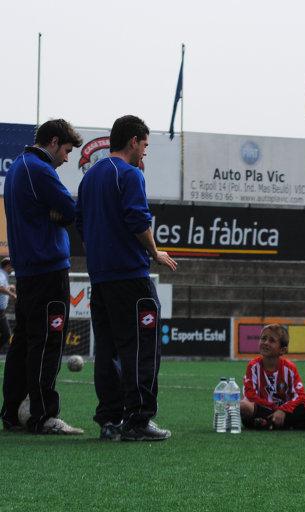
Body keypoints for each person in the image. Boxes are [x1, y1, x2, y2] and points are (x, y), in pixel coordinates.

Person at [76, 115, 178, 441]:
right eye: (145, 144)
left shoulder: (89, 177)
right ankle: (138, 420)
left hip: (101, 279)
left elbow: (80, 223)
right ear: (133, 141)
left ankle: (109, 420)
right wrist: (155, 252)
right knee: (142, 348)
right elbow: (137, 219)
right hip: (131, 278)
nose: (145, 152)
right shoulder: (130, 174)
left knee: (108, 350)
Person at [1, 119, 84, 435]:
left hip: (28, 272)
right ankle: (44, 416)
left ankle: (12, 412)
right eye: (65, 150)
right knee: (47, 342)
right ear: (52, 141)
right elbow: (70, 209)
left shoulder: (18, 167)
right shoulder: (38, 169)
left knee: (23, 343)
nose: (66, 158)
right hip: (48, 271)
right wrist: (59, 214)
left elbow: (58, 211)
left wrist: (55, 213)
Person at [241, 324, 305, 430]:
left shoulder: (289, 368)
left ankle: (268, 424)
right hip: (264, 410)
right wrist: (277, 409)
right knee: (242, 406)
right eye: (263, 338)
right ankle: (290, 424)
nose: (266, 343)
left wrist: (284, 410)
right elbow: (250, 395)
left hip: (286, 411)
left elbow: (301, 396)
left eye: (272, 340)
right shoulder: (253, 366)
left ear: (282, 350)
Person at [0, 258, 17, 351]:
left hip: (1, 312)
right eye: (12, 267)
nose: (13, 269)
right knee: (6, 334)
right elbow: (1, 288)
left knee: (6, 334)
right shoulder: (1, 275)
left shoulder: (3, 275)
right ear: (8, 266)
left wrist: (10, 287)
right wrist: (13, 295)